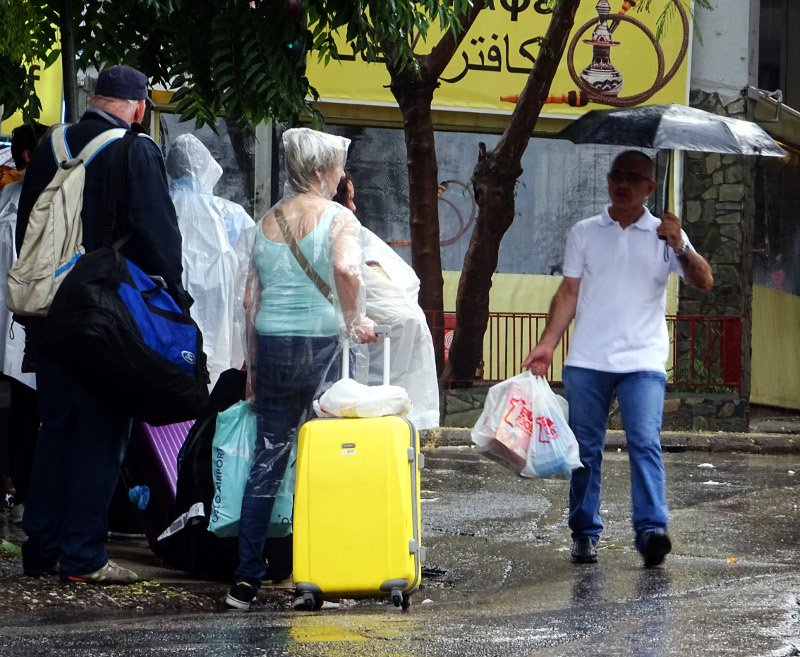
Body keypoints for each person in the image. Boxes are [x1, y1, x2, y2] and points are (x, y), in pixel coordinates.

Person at [15, 65, 189, 585]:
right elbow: (160, 239)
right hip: (106, 318)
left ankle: (41, 549)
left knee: (57, 428)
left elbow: (29, 223)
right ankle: (84, 556)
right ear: (138, 108)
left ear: (94, 98)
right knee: (102, 430)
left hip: (47, 312)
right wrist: (173, 304)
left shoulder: (50, 147)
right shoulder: (136, 149)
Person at [523, 150, 714, 568]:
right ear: (608, 181)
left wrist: (681, 245)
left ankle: (651, 532)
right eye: (617, 176)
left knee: (645, 443)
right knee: (585, 448)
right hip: (588, 358)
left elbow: (703, 281)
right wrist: (548, 344)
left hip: (643, 360)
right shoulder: (585, 232)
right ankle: (584, 533)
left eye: (633, 178)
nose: (623, 184)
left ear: (649, 187)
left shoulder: (666, 235)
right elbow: (568, 293)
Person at [225, 127, 377, 610]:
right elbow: (348, 271)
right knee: (326, 455)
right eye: (337, 167)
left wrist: (251, 365)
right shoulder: (338, 220)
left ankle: (245, 580)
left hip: (270, 345)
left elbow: (250, 299)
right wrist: (357, 321)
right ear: (318, 171)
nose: (341, 176)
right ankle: (316, 575)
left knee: (268, 458)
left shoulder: (265, 220)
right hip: (321, 346)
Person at [333, 174, 441, 429]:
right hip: (369, 336)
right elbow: (351, 272)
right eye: (351, 198)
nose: (355, 207)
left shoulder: (345, 232)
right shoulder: (344, 231)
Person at [166, 133, 252, 388]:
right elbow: (251, 268)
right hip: (221, 317)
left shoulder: (163, 208)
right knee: (214, 378)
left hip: (173, 318)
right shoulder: (230, 215)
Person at [0, 123, 47, 524]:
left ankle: (20, 486)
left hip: (16, 325)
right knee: (29, 409)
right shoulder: (33, 199)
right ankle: (27, 488)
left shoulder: (8, 201)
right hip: (30, 320)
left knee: (19, 408)